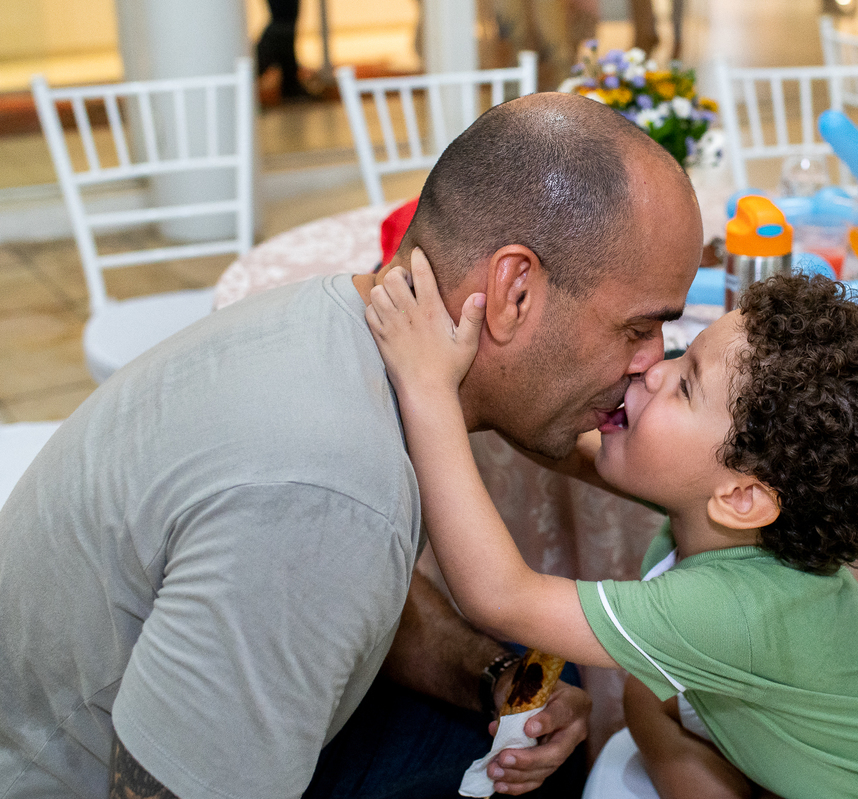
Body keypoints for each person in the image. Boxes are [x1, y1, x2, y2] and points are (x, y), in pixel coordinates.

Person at [0, 91, 703, 798]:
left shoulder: (351, 322)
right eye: (638, 328)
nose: (651, 360)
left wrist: (493, 679)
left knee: (546, 684)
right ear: (514, 290)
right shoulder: (329, 493)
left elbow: (351, 603)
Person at [365, 264, 858, 799]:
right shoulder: (727, 530)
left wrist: (429, 388)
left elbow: (500, 595)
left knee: (647, 692)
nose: (654, 369)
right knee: (645, 692)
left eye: (685, 385)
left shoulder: (729, 610)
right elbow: (567, 442)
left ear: (741, 496)